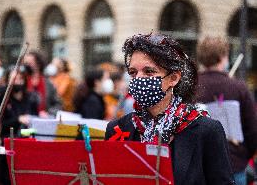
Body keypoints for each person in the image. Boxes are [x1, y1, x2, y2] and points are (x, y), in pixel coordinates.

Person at [105, 33, 235, 185]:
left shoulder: (206, 130)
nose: (139, 79)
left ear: (173, 78)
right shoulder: (117, 128)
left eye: (149, 71)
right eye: (133, 73)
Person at [196, 37, 257, 185]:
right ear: (223, 57)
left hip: (201, 164)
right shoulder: (238, 87)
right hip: (233, 163)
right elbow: (252, 128)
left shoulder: (192, 87)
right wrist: (244, 154)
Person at [23, 51, 62, 117]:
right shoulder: (22, 81)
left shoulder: (48, 83)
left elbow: (58, 104)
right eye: (26, 62)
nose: (27, 64)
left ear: (38, 63)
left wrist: (48, 112)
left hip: (43, 119)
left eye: (30, 62)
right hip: (26, 119)